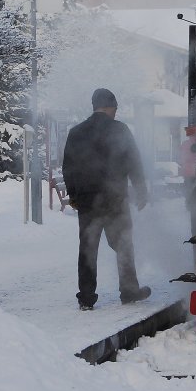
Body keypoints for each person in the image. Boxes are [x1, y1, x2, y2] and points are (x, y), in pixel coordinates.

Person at [63, 88, 150, 310]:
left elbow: (68, 168)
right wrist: (141, 189)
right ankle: (129, 291)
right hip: (115, 198)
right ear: (110, 107)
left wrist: (73, 195)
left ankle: (86, 297)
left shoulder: (76, 132)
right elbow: (134, 161)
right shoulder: (120, 129)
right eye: (115, 109)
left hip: (87, 200)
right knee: (123, 244)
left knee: (88, 248)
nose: (115, 113)